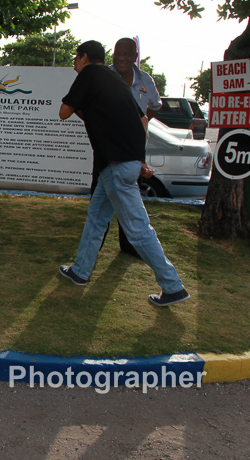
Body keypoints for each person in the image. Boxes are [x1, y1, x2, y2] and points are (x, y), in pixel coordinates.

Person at [58, 40, 190, 307]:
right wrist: (139, 159)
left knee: (138, 229)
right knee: (97, 218)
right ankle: (80, 271)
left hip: (116, 166)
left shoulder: (89, 74)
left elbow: (64, 112)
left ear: (85, 57)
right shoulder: (114, 80)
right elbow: (141, 120)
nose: (74, 65)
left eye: (75, 59)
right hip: (120, 163)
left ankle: (172, 286)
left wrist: (88, 109)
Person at [106, 37, 162, 258]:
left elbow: (155, 106)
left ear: (135, 57)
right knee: (102, 197)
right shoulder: (105, 76)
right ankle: (96, 244)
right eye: (117, 53)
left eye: (126, 54)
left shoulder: (145, 80)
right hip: (107, 147)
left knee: (130, 200)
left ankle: (129, 246)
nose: (121, 58)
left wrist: (139, 125)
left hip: (134, 151)